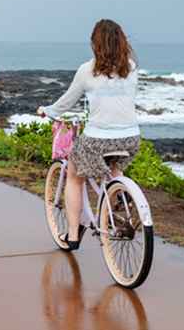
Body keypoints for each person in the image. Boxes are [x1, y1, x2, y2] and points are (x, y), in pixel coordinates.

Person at [38, 19, 140, 250]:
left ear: (96, 43)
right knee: (113, 166)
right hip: (130, 138)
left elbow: (65, 102)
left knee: (74, 175)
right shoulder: (131, 68)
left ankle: (73, 235)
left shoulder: (87, 70)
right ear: (122, 43)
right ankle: (119, 198)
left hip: (98, 139)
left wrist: (47, 111)